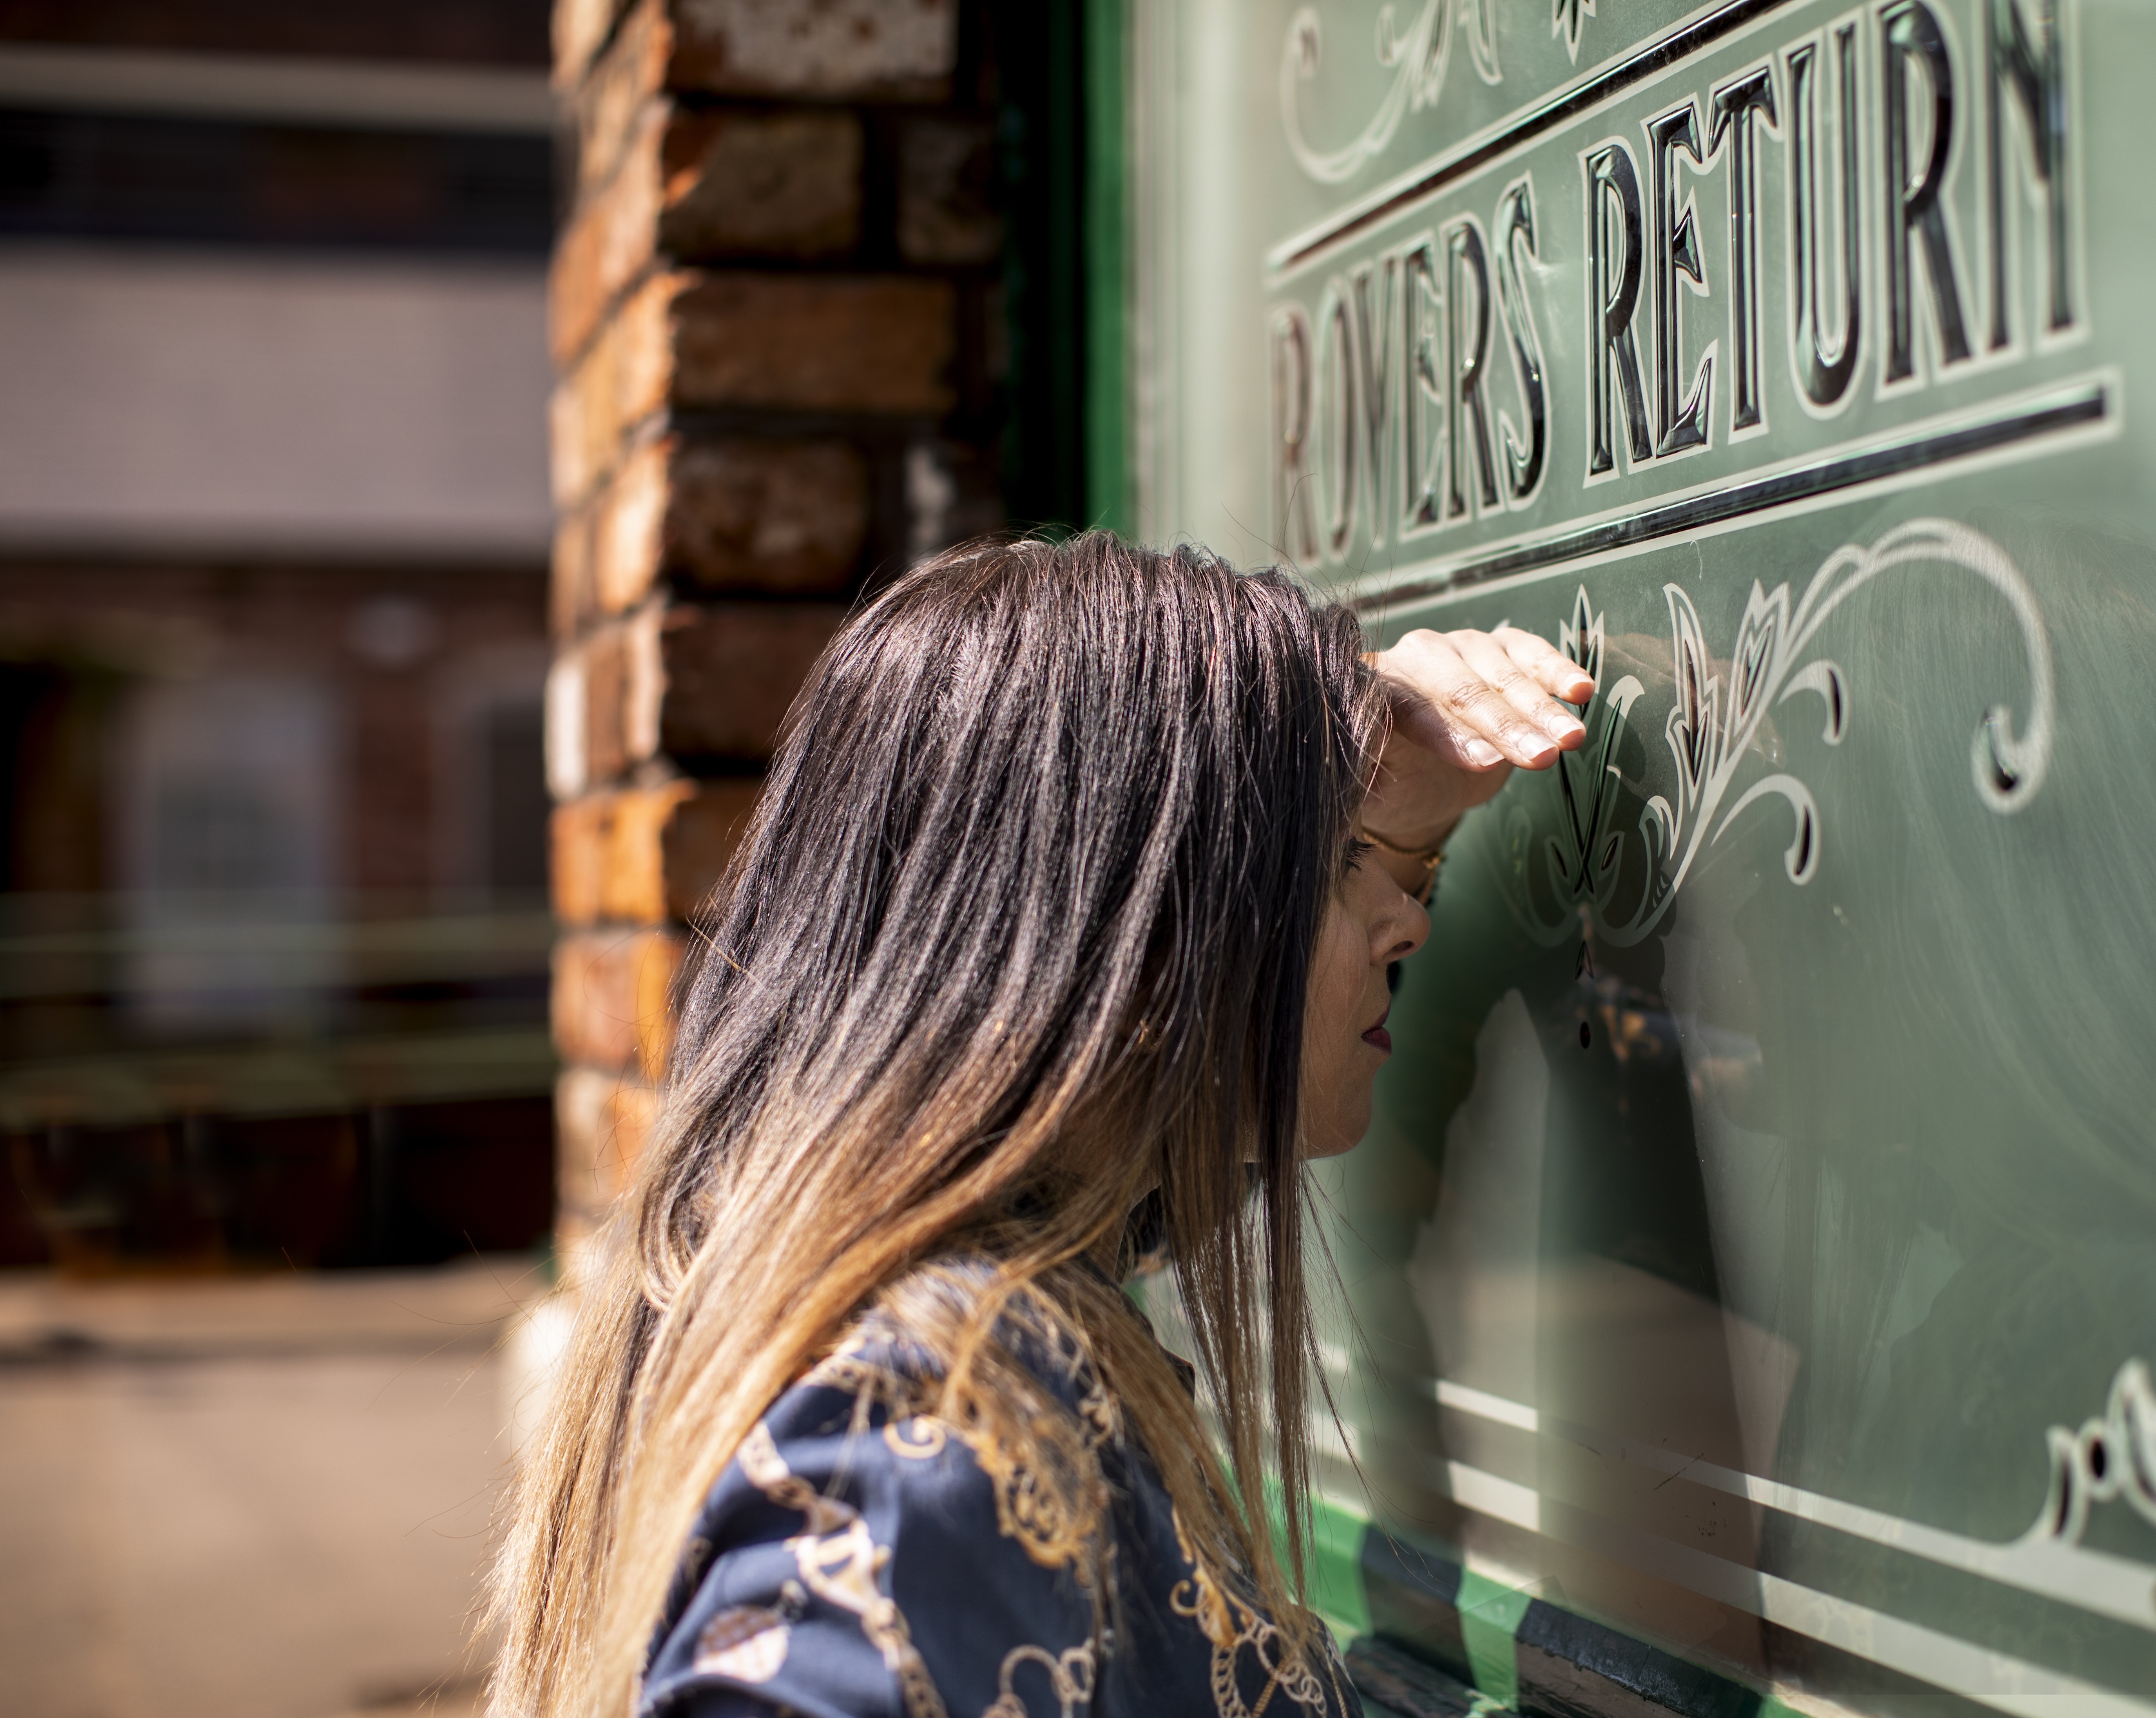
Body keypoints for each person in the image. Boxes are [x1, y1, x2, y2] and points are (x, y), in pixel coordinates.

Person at [489, 533, 1595, 1718]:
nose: (1411, 925)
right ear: (1126, 921)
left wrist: (1383, 813)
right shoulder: (926, 1417)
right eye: (1313, 857)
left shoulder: (851, 1274)